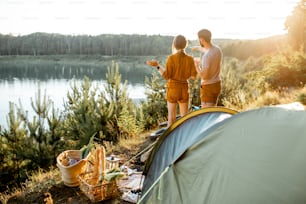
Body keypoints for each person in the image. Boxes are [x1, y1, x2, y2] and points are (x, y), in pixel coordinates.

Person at [147, 35, 197, 127]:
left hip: (173, 89)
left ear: (174, 44)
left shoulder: (171, 58)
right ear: (185, 45)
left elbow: (167, 76)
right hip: (184, 88)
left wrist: (157, 66)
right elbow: (194, 76)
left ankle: (170, 140)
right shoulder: (190, 59)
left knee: (171, 118)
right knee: (184, 118)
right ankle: (184, 139)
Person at [191, 29, 223, 107]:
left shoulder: (207, 56)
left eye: (199, 39)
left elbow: (204, 76)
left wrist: (196, 66)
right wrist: (196, 48)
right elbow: (206, 49)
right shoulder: (217, 50)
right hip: (217, 84)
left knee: (207, 114)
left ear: (201, 39)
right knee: (213, 111)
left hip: (208, 87)